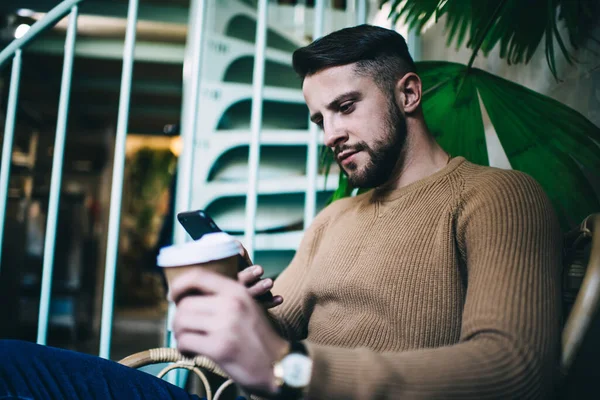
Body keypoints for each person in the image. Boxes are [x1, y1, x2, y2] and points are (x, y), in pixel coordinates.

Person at [0, 24, 561, 399]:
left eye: (345, 107)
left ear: (408, 94)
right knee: (12, 364)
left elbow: (516, 368)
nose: (331, 134)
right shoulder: (334, 220)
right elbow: (272, 341)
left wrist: (293, 370)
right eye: (319, 119)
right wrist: (235, 310)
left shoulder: (496, 196)